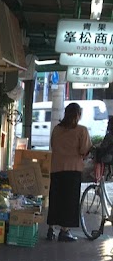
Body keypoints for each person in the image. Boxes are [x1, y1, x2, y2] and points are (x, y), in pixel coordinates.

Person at [47, 101, 91, 241]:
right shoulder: (81, 130)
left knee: (55, 199)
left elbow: (53, 145)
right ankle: (64, 231)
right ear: (78, 115)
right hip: (72, 170)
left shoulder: (57, 129)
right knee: (69, 201)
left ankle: (51, 229)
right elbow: (84, 150)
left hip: (56, 168)